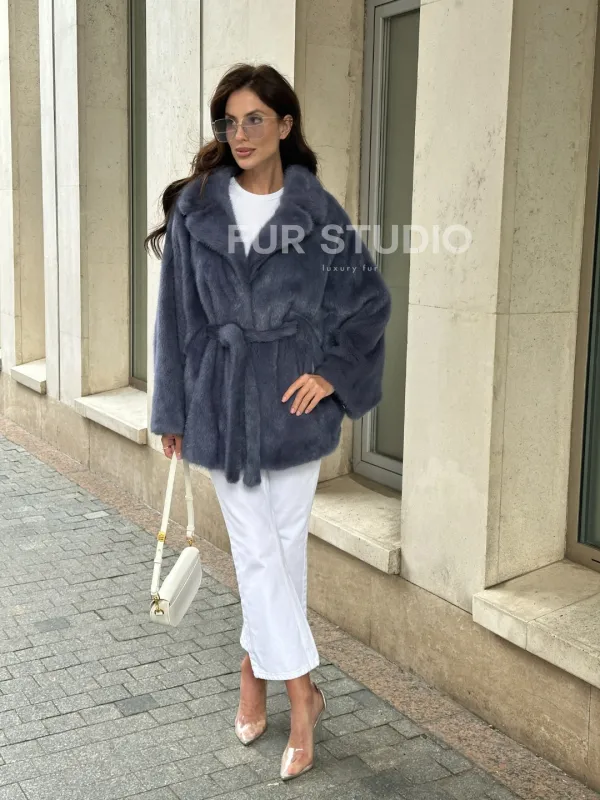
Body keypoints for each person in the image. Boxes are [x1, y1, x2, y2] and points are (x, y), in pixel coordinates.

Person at [146, 62, 391, 781]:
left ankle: (253, 675)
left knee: (282, 555)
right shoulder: (197, 209)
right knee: (257, 551)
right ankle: (302, 694)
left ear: (285, 125)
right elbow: (175, 317)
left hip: (291, 409)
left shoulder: (318, 212)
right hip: (220, 403)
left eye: (255, 118)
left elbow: (368, 302)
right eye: (230, 120)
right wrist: (172, 409)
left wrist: (332, 373)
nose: (241, 133)